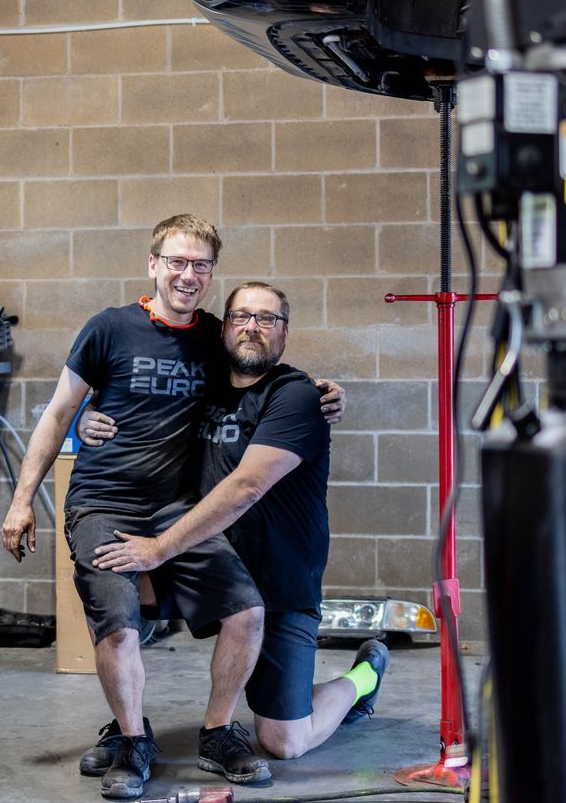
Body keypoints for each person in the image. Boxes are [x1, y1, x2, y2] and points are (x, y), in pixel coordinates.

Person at [0, 216, 342, 799]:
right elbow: (59, 412)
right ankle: (132, 741)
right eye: (177, 262)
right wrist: (22, 499)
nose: (188, 275)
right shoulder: (109, 328)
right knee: (118, 622)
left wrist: (325, 391)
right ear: (153, 264)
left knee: (246, 611)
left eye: (200, 265)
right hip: (104, 502)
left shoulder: (214, 335)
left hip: (178, 510)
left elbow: (257, 369)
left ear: (211, 273)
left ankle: (217, 732)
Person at [86, 281, 386, 763]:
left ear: (284, 333)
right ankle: (127, 730)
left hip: (279, 587)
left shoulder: (297, 397)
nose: (252, 327)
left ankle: (363, 677)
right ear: (224, 328)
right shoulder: (201, 386)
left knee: (284, 742)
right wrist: (87, 417)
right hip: (213, 564)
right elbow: (133, 405)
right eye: (241, 316)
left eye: (267, 318)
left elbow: (246, 487)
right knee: (107, 581)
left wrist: (158, 548)